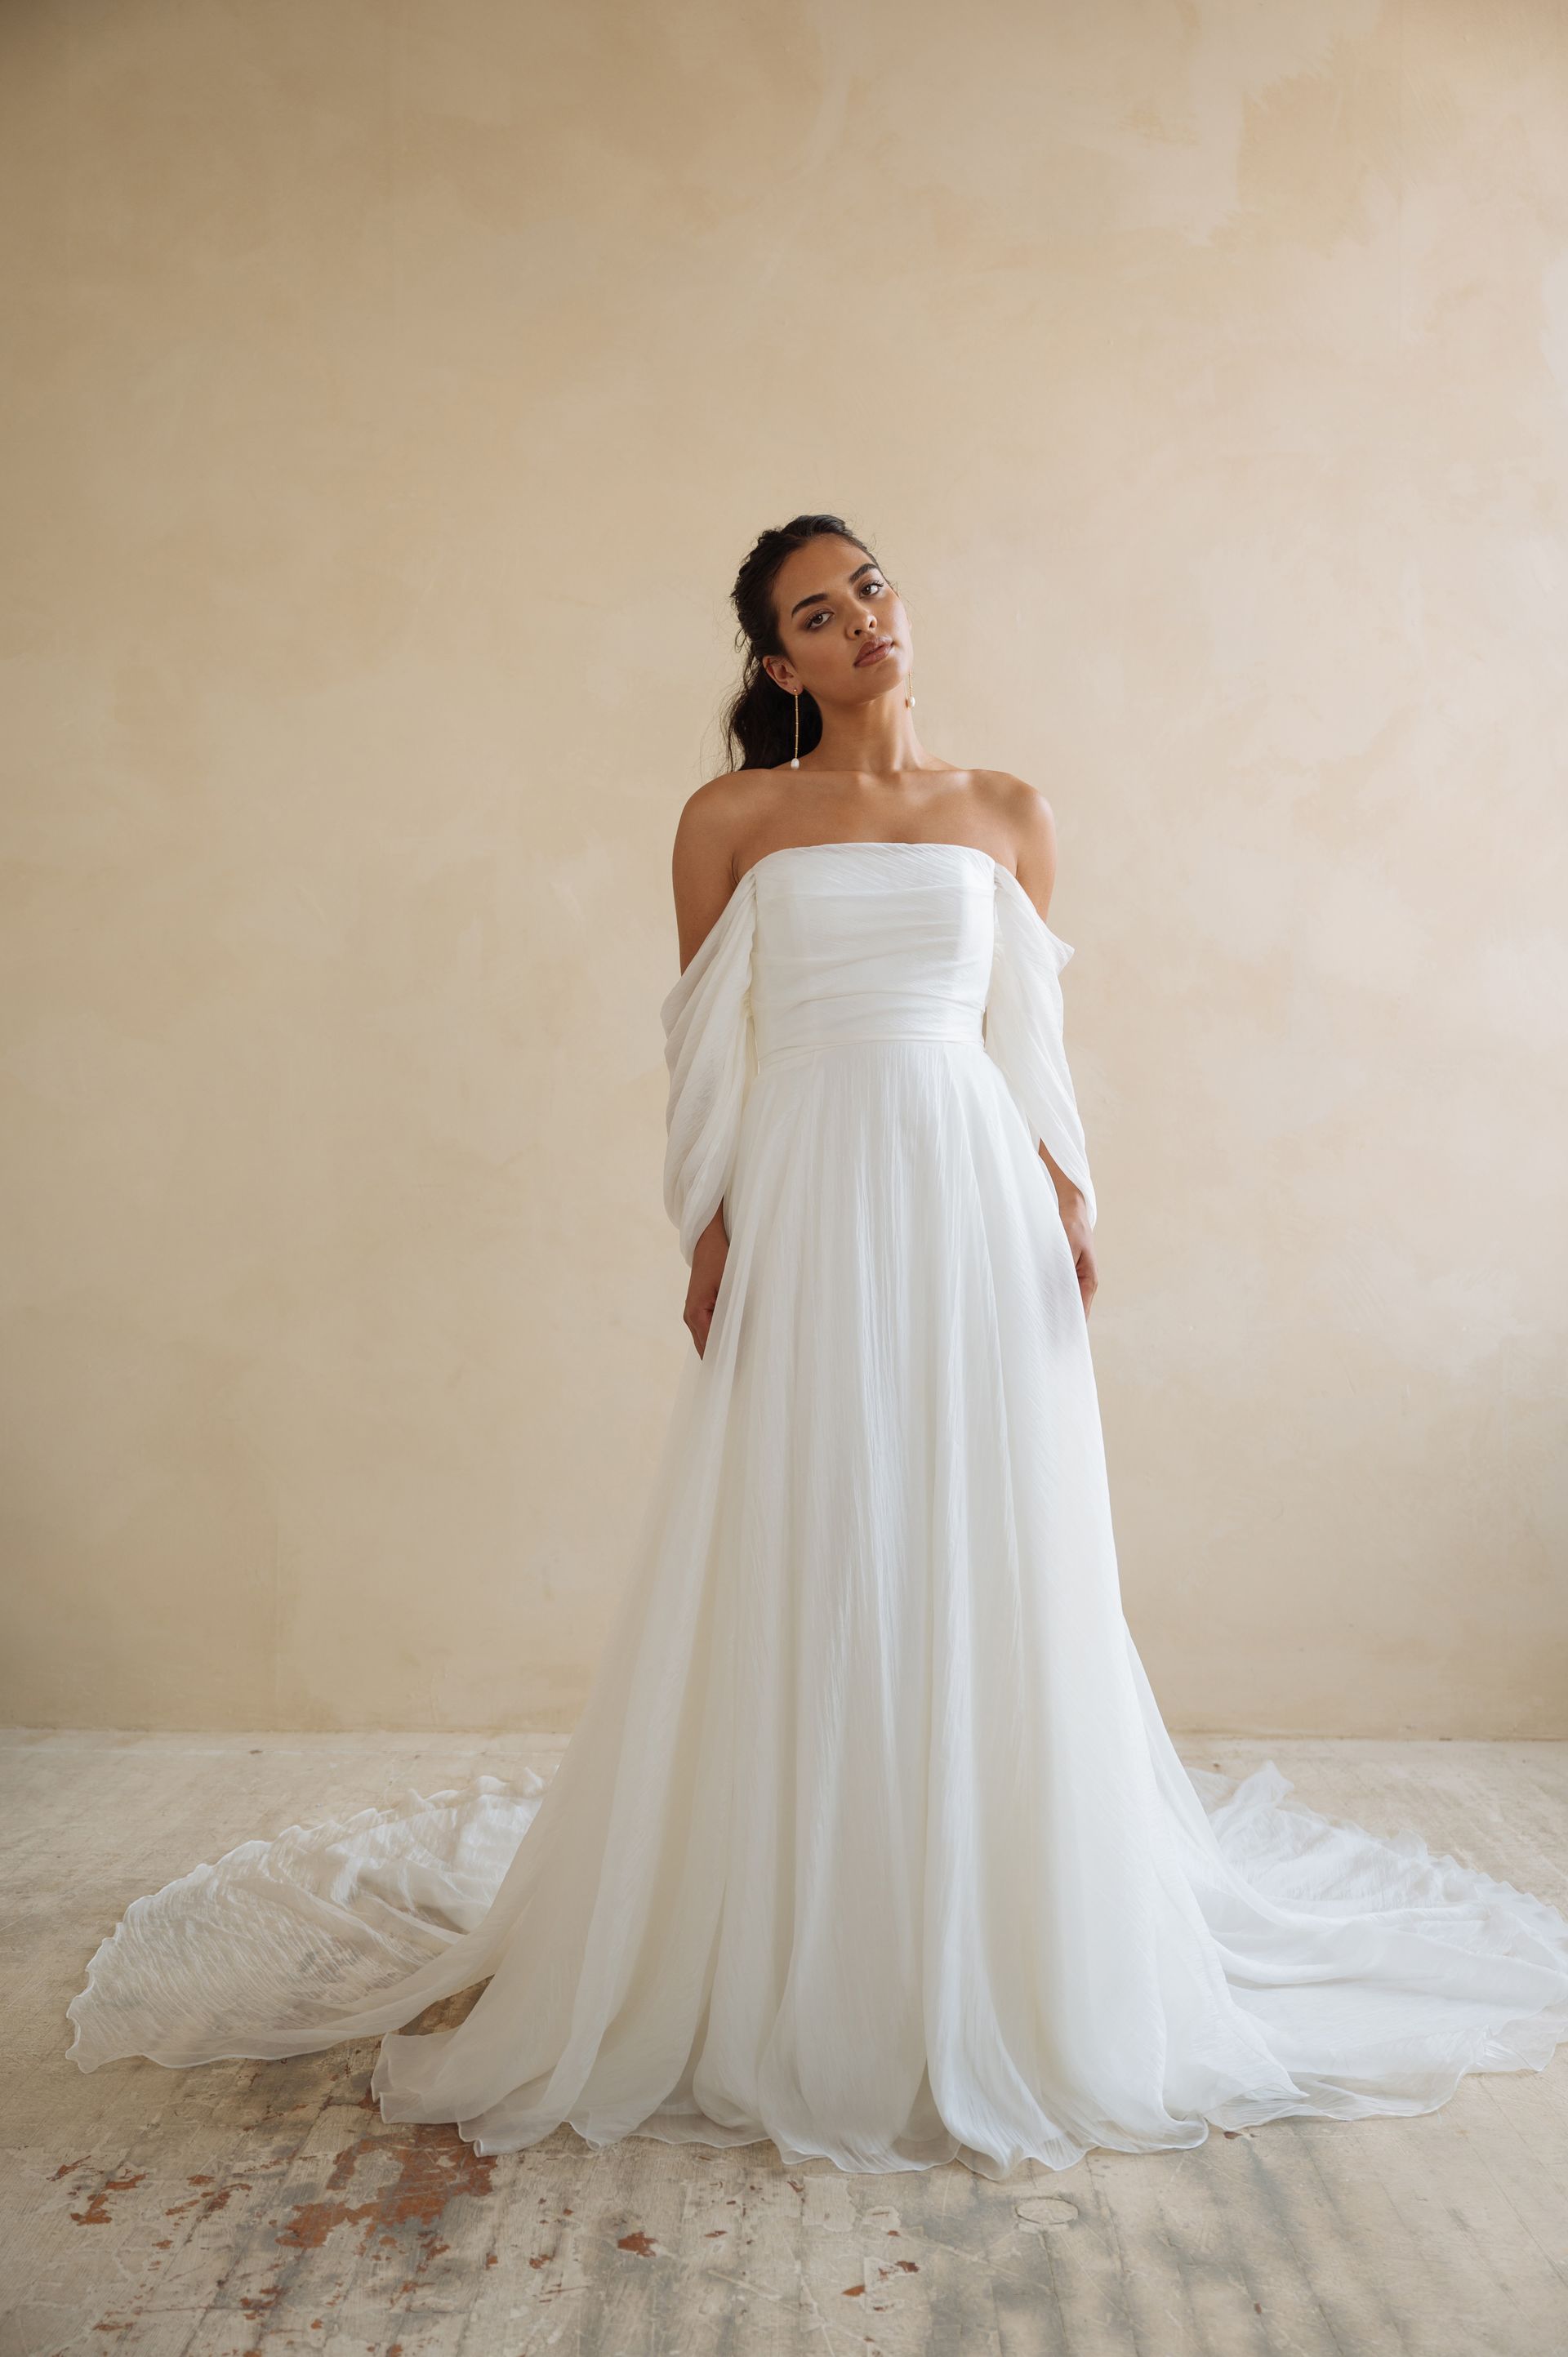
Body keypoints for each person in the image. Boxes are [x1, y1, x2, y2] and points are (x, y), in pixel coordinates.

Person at [66, 514, 1568, 2180]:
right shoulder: (733, 818)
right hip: (815, 1188)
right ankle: (804, 1913)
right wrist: (708, 1230)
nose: (862, 619)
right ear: (776, 665)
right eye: (816, 611)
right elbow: (707, 1045)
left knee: (991, 1539)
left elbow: (1030, 1035)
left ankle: (995, 1932)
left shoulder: (1010, 813)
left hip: (973, 1199)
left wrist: (1070, 1194)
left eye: (871, 585)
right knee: (816, 1523)